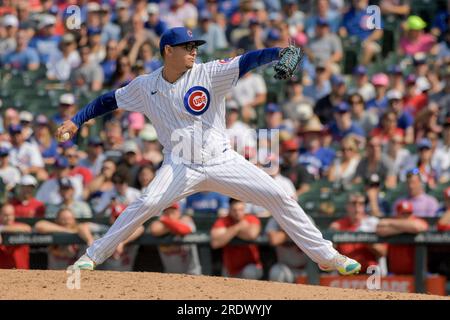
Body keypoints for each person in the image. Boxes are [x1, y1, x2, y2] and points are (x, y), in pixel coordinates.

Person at [59, 26, 361, 274]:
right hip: (179, 164)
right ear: (168, 51)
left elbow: (248, 60)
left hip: (221, 160)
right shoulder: (145, 85)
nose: (194, 50)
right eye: (187, 46)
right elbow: (108, 101)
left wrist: (279, 53)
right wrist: (76, 120)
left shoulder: (208, 73)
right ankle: (93, 255)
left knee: (280, 196)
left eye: (195, 46)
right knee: (147, 202)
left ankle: (327, 256)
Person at [330, 193, 387, 273]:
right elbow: (330, 254)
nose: (357, 207)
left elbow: (383, 252)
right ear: (347, 206)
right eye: (353, 203)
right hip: (345, 273)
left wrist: (367, 240)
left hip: (369, 273)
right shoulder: (338, 225)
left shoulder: (373, 223)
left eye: (361, 204)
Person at [210, 198, 263, 279]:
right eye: (234, 210)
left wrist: (228, 232)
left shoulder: (251, 218)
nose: (238, 213)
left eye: (240, 210)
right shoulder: (223, 220)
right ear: (229, 210)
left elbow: (252, 235)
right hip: (230, 269)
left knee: (249, 272)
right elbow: (215, 242)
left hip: (251, 266)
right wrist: (237, 227)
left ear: (244, 209)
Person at [376, 200, 428, 275]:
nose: (406, 216)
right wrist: (405, 228)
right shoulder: (394, 224)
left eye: (408, 213)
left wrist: (389, 222)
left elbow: (417, 227)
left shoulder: (418, 221)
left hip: (417, 274)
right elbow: (380, 230)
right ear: (397, 214)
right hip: (395, 274)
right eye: (403, 214)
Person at [149, 202, 202, 275]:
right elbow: (155, 230)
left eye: (173, 212)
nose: (170, 216)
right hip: (170, 275)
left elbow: (183, 229)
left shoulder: (186, 219)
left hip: (192, 274)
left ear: (179, 212)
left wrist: (166, 221)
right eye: (167, 213)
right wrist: (172, 225)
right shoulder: (159, 223)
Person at [265, 216, 309, 283]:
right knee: (276, 272)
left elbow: (308, 237)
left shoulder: (305, 217)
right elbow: (274, 239)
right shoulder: (275, 218)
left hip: (305, 269)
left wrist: (286, 232)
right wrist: (293, 231)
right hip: (285, 268)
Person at [0, 204, 31, 269]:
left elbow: (27, 228)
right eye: (5, 215)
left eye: (11, 215)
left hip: (22, 271)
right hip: (3, 272)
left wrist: (2, 229)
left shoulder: (20, 226)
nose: (8, 217)